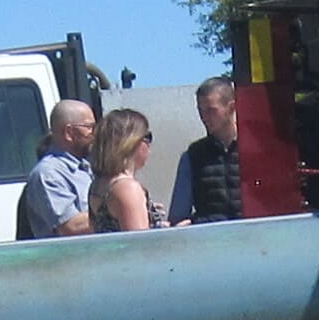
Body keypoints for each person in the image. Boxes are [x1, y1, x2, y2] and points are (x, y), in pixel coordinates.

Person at [16, 97, 97, 239]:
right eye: (89, 127)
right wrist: (117, 212)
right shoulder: (48, 174)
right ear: (69, 133)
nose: (94, 134)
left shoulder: (86, 167)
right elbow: (71, 227)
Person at [168, 75, 241, 223]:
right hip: (210, 233)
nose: (204, 117)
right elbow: (179, 215)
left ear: (232, 108)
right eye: (201, 111)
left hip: (254, 232)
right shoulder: (193, 156)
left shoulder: (255, 150)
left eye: (211, 110)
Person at [92, 106, 157, 233]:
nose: (149, 145)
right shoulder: (127, 188)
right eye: (147, 137)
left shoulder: (98, 185)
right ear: (132, 142)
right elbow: (140, 242)